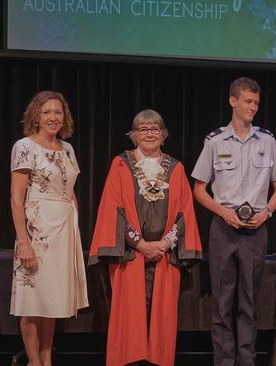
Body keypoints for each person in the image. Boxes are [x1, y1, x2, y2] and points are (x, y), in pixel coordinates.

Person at [89, 109, 202, 366]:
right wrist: (139, 244)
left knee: (161, 318)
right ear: (134, 136)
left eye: (155, 129)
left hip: (164, 254)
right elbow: (113, 209)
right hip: (130, 254)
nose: (150, 133)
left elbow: (185, 212)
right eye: (143, 129)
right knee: (129, 316)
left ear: (163, 135)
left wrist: (163, 244)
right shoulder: (120, 164)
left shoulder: (176, 167)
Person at [191, 77, 276, 365]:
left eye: (256, 103)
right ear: (233, 101)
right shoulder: (215, 140)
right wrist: (223, 212)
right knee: (222, 304)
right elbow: (199, 188)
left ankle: (247, 360)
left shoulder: (267, 140)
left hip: (256, 231)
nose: (253, 107)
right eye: (248, 101)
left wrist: (267, 213)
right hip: (223, 228)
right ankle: (223, 361)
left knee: (248, 302)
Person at [9, 90, 89, 366]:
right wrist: (24, 242)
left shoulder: (67, 149)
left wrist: (75, 230)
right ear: (36, 116)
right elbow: (16, 198)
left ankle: (47, 358)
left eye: (58, 112)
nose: (53, 117)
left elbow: (70, 191)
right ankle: (33, 361)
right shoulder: (24, 147)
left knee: (52, 300)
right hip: (38, 230)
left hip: (63, 230)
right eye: (47, 112)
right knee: (32, 300)